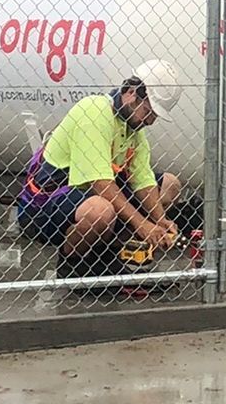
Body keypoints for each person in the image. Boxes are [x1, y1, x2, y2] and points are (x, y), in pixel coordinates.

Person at [16, 60, 184, 288]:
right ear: (132, 92)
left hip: (87, 199)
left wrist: (160, 220)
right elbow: (101, 184)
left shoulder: (133, 128)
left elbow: (143, 180)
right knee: (100, 210)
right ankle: (72, 266)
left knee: (169, 185)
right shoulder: (94, 112)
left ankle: (111, 254)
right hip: (45, 204)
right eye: (149, 111)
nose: (151, 121)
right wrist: (143, 225)